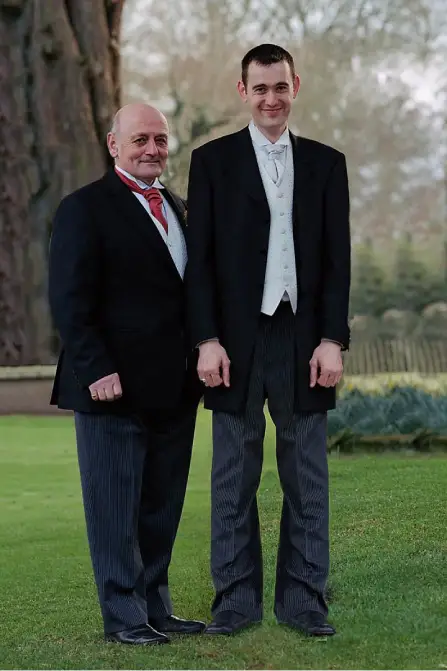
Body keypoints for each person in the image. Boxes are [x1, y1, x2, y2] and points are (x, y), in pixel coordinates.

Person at [186, 44, 351, 637]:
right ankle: (234, 597)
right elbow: (199, 263)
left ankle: (304, 596)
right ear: (243, 92)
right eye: (260, 89)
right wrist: (205, 339)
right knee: (234, 470)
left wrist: (333, 338)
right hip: (233, 340)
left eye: (279, 87)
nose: (271, 99)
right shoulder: (210, 163)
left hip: (304, 337)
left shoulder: (328, 165)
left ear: (295, 85)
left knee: (306, 472)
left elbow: (338, 262)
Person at [48, 103, 204, 645]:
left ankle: (157, 607)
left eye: (160, 140)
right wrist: (96, 368)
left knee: (161, 508)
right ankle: (124, 617)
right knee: (114, 510)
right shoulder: (83, 209)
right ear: (114, 144)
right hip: (110, 389)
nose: (152, 149)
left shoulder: (180, 208)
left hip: (176, 387)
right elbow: (69, 300)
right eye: (140, 139)